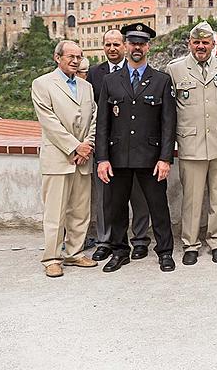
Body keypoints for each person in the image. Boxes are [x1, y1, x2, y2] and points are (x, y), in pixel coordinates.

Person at [95, 23, 177, 273]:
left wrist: (165, 158)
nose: (137, 47)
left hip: (150, 158)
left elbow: (168, 123)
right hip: (118, 156)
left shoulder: (161, 80)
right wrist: (102, 159)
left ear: (148, 47)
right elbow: (102, 124)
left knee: (158, 207)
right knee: (116, 208)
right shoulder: (111, 81)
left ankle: (164, 251)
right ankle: (120, 252)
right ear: (127, 45)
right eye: (132, 43)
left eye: (141, 43)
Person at [167, 21, 217, 265]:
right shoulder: (175, 69)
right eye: (197, 42)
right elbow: (169, 111)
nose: (201, 46)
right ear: (190, 44)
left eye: (206, 42)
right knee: (192, 199)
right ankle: (191, 244)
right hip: (190, 143)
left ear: (214, 45)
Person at [31, 40, 98, 278]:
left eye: (79, 57)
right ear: (57, 57)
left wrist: (87, 146)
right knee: (55, 213)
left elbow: (94, 119)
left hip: (82, 159)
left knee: (80, 211)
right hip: (59, 158)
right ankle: (51, 258)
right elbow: (49, 123)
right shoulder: (42, 84)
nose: (75, 61)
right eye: (70, 56)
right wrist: (74, 147)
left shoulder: (86, 86)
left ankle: (75, 253)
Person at [87, 30, 151, 262]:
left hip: (136, 146)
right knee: (107, 198)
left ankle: (140, 239)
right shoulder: (94, 73)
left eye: (116, 44)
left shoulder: (136, 70)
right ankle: (107, 241)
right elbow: (96, 113)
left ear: (124, 46)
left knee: (138, 194)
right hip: (108, 146)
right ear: (103, 47)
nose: (112, 48)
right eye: (108, 44)